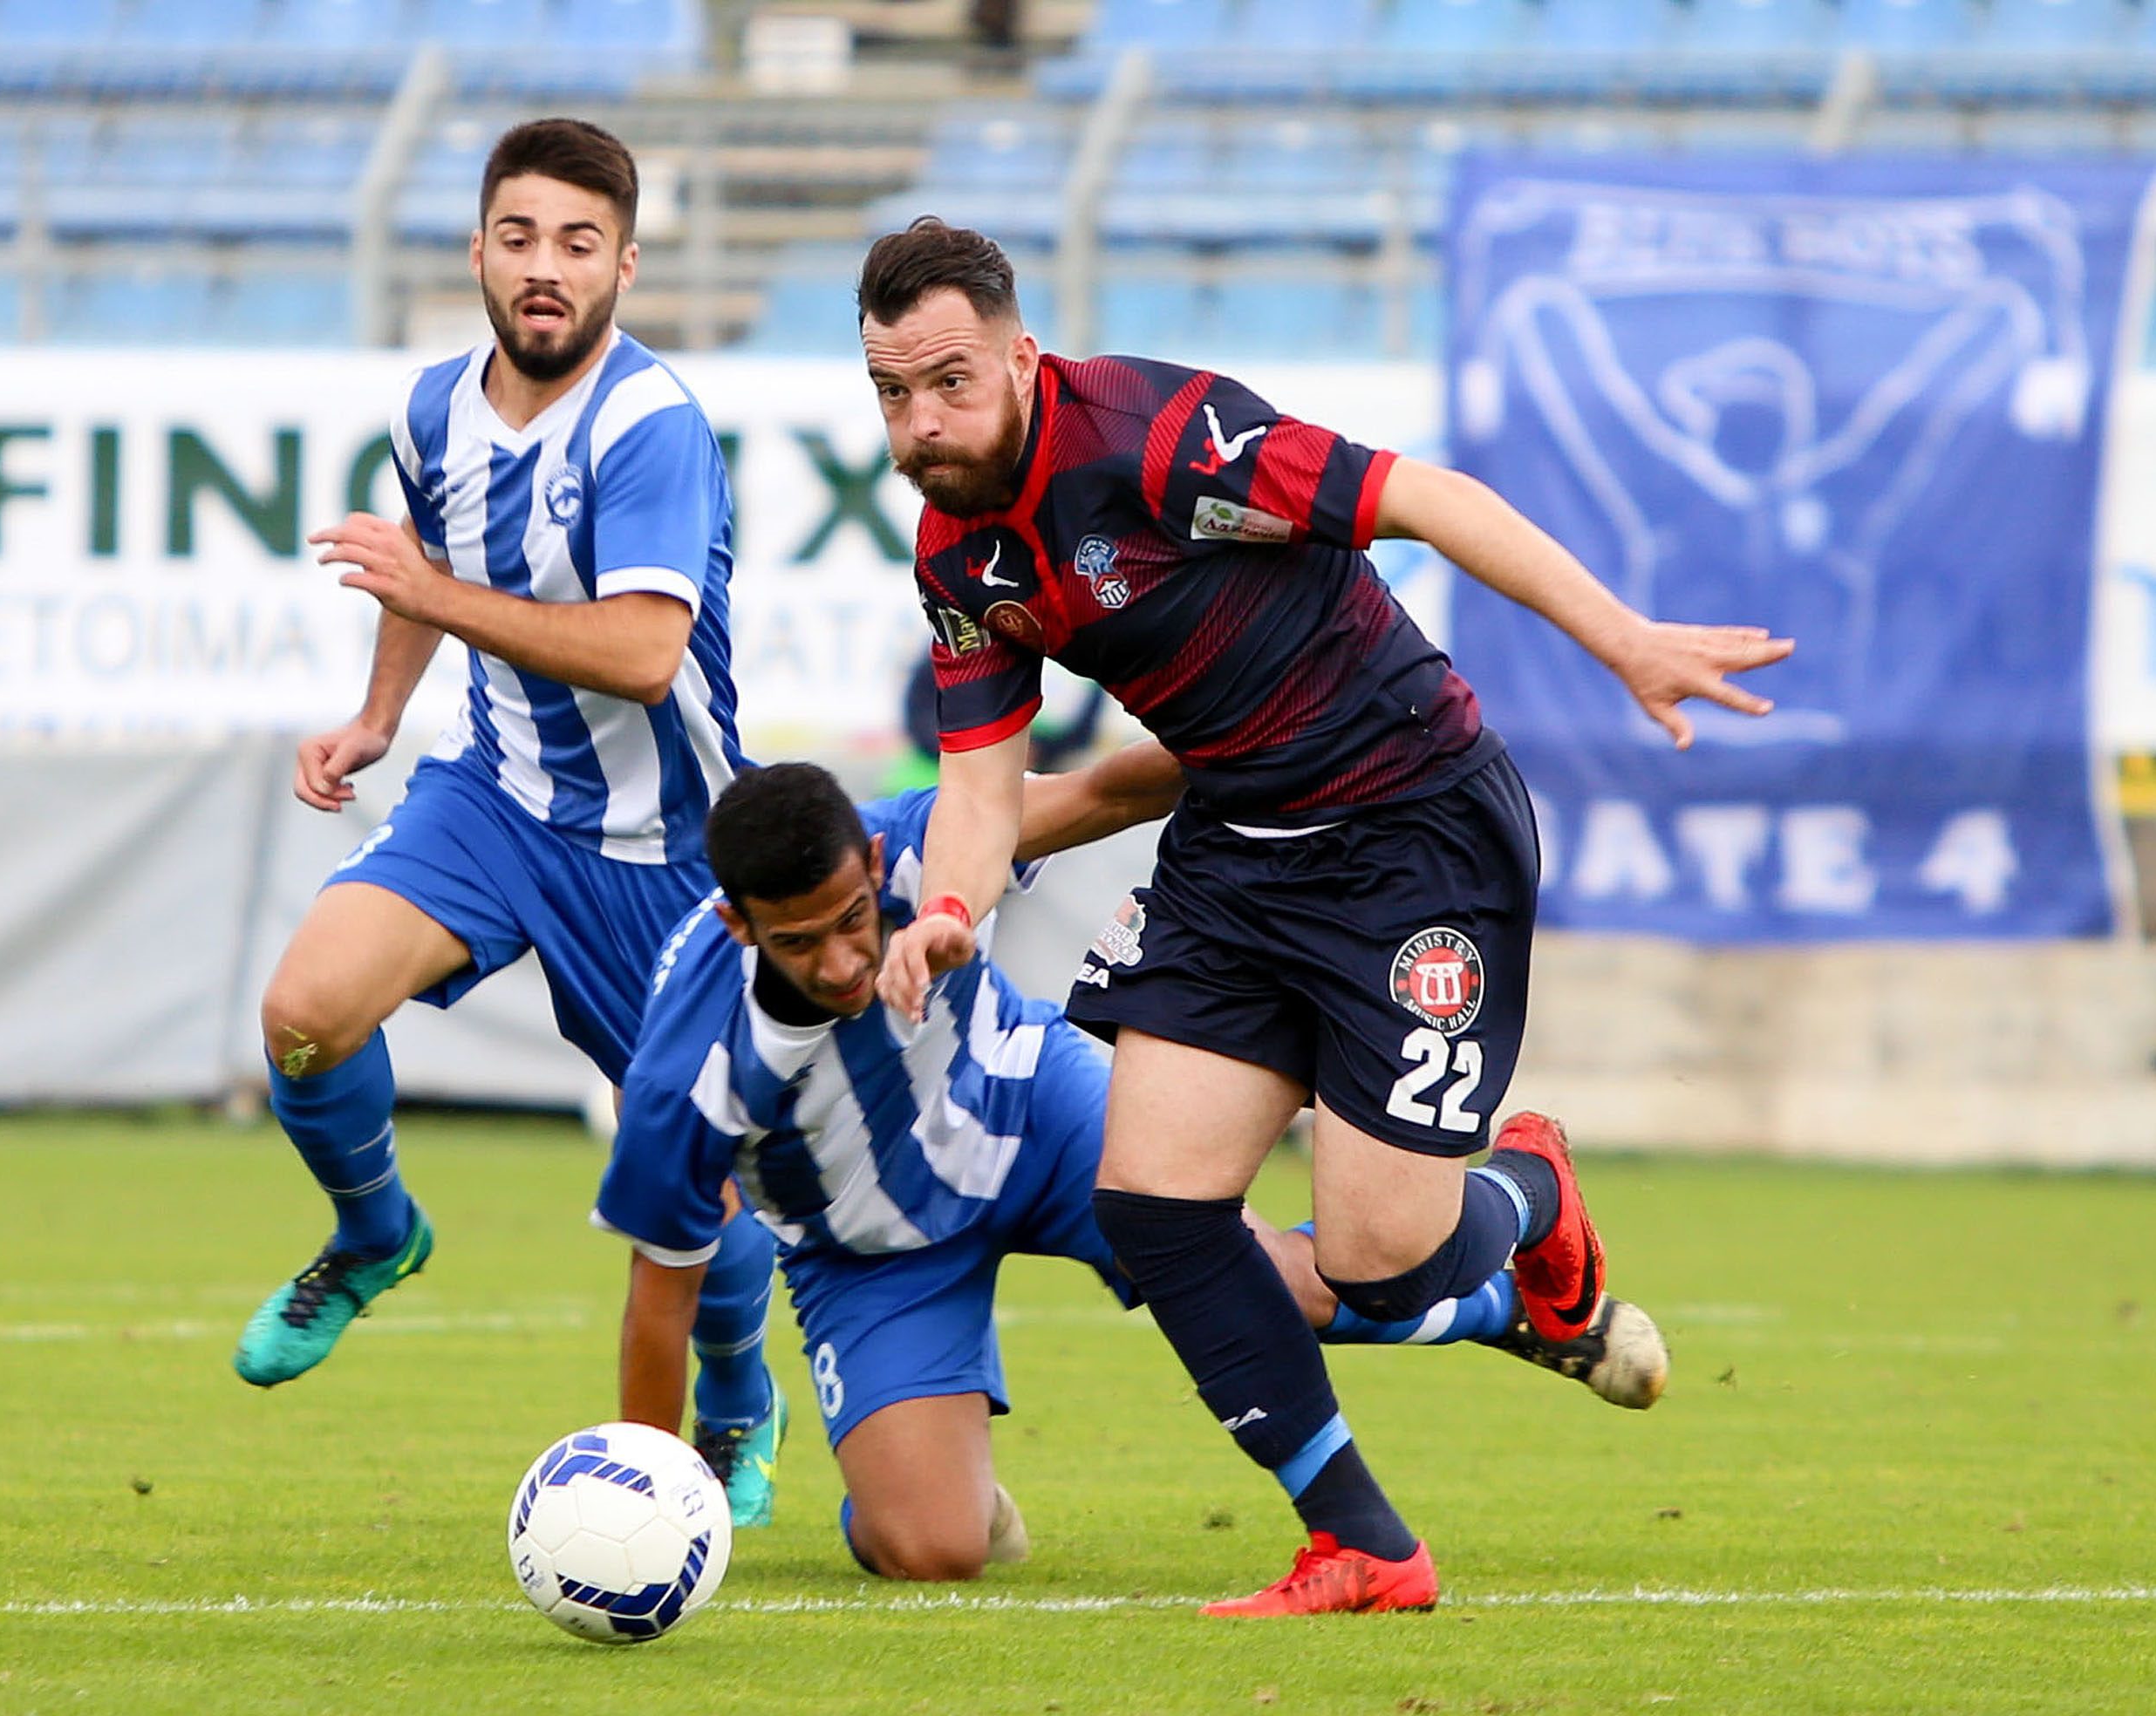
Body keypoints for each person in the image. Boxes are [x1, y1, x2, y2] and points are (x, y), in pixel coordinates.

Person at [854, 219, 1791, 1614]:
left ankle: (1529, 1196)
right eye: (892, 393)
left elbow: (1427, 497)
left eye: (950, 382)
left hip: (1412, 830)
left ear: (1023, 358)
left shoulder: (1158, 439)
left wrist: (1627, 641)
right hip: (1237, 852)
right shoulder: (957, 558)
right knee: (1154, 1208)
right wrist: (945, 907)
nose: (922, 422)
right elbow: (984, 791)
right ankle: (1361, 1543)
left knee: (1379, 1263)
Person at [593, 757, 1670, 1583]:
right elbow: (659, 1302)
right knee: (930, 1550)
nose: (840, 962)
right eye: (797, 943)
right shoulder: (685, 1076)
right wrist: (640, 1508)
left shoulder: (930, 842)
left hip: (1040, 1117)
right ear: (737, 923)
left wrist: (1269, 744)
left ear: (875, 867)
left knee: (1290, 1291)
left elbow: (1110, 791)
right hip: (870, 1251)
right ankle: (916, 1479)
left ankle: (1514, 1280)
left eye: (851, 921)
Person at [232, 119, 785, 1527]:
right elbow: (432, 568)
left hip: (665, 856)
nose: (547, 268)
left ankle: (738, 1399)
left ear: (624, 267)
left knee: (698, 1197)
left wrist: (428, 593)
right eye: (522, 237)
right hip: (494, 799)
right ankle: (375, 1234)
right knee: (304, 1013)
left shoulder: (650, 426)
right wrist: (376, 715)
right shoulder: (432, 409)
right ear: (479, 250)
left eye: (579, 244)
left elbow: (644, 653)